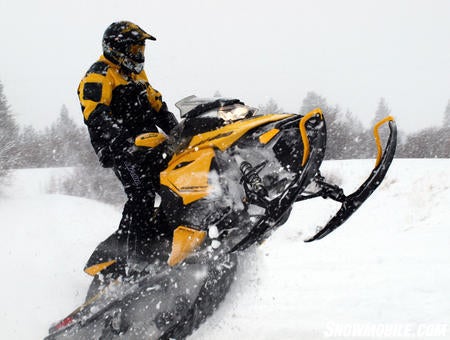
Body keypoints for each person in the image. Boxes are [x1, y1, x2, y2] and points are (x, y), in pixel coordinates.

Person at [78, 21, 178, 275]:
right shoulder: (99, 74)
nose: (139, 55)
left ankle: (164, 241)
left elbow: (157, 105)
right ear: (116, 48)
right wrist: (123, 140)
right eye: (134, 49)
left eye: (141, 49)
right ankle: (128, 257)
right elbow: (96, 113)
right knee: (141, 194)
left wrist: (179, 134)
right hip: (120, 150)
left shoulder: (136, 75)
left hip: (149, 145)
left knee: (174, 187)